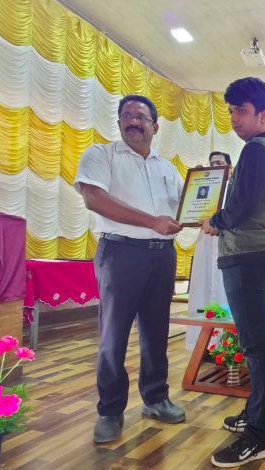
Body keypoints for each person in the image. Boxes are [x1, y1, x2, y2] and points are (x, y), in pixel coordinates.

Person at [75, 95, 187, 444]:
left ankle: (155, 399)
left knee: (156, 332)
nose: (133, 121)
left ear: (155, 126)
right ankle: (110, 411)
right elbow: (94, 198)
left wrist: (208, 207)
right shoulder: (101, 155)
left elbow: (186, 207)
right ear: (120, 122)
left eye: (141, 117)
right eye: (127, 116)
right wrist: (152, 222)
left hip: (162, 255)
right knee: (114, 335)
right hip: (120, 254)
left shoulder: (167, 168)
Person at [201, 78, 265, 467]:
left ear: (263, 115)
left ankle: (259, 436)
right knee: (256, 343)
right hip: (253, 255)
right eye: (231, 111)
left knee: (256, 346)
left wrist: (215, 221)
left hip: (249, 255)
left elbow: (244, 204)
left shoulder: (256, 148)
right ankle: (254, 415)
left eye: (242, 111)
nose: (235, 118)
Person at [186, 152, 232, 351]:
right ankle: (203, 345)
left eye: (220, 163)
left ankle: (227, 344)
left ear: (230, 168)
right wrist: (193, 183)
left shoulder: (235, 190)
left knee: (225, 291)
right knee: (203, 289)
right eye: (212, 163)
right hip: (205, 242)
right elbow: (188, 212)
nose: (215, 166)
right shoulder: (203, 187)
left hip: (228, 244)